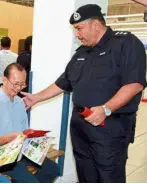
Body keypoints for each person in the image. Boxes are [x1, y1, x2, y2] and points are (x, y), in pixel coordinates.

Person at [22, 4, 146, 183]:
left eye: (79, 28)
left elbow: (134, 84)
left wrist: (106, 109)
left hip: (109, 125)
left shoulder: (125, 43)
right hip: (81, 123)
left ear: (96, 25)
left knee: (108, 174)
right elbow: (64, 82)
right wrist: (36, 98)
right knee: (85, 172)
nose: (77, 34)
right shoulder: (82, 52)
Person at [0, 63, 59, 183]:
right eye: (16, 84)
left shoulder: (19, 102)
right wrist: (8, 139)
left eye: (22, 84)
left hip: (20, 150)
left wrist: (35, 136)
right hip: (4, 155)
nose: (18, 88)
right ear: (4, 79)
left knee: (53, 170)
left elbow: (24, 130)